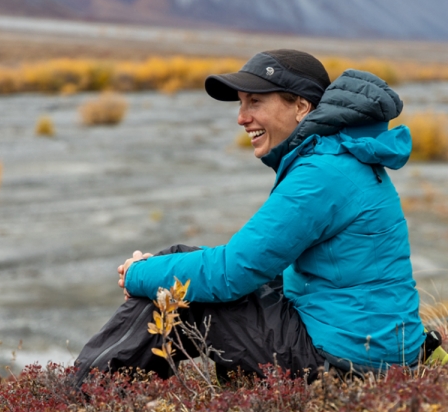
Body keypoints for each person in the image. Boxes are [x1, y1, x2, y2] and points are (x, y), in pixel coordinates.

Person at [74, 49, 427, 387]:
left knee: (181, 293)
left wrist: (137, 274)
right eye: (241, 104)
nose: (242, 117)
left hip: (348, 362)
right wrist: (159, 270)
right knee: (178, 264)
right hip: (374, 348)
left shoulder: (321, 174)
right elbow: (259, 265)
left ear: (301, 106)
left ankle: (80, 396)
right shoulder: (340, 157)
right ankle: (116, 393)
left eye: (255, 102)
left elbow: (232, 272)